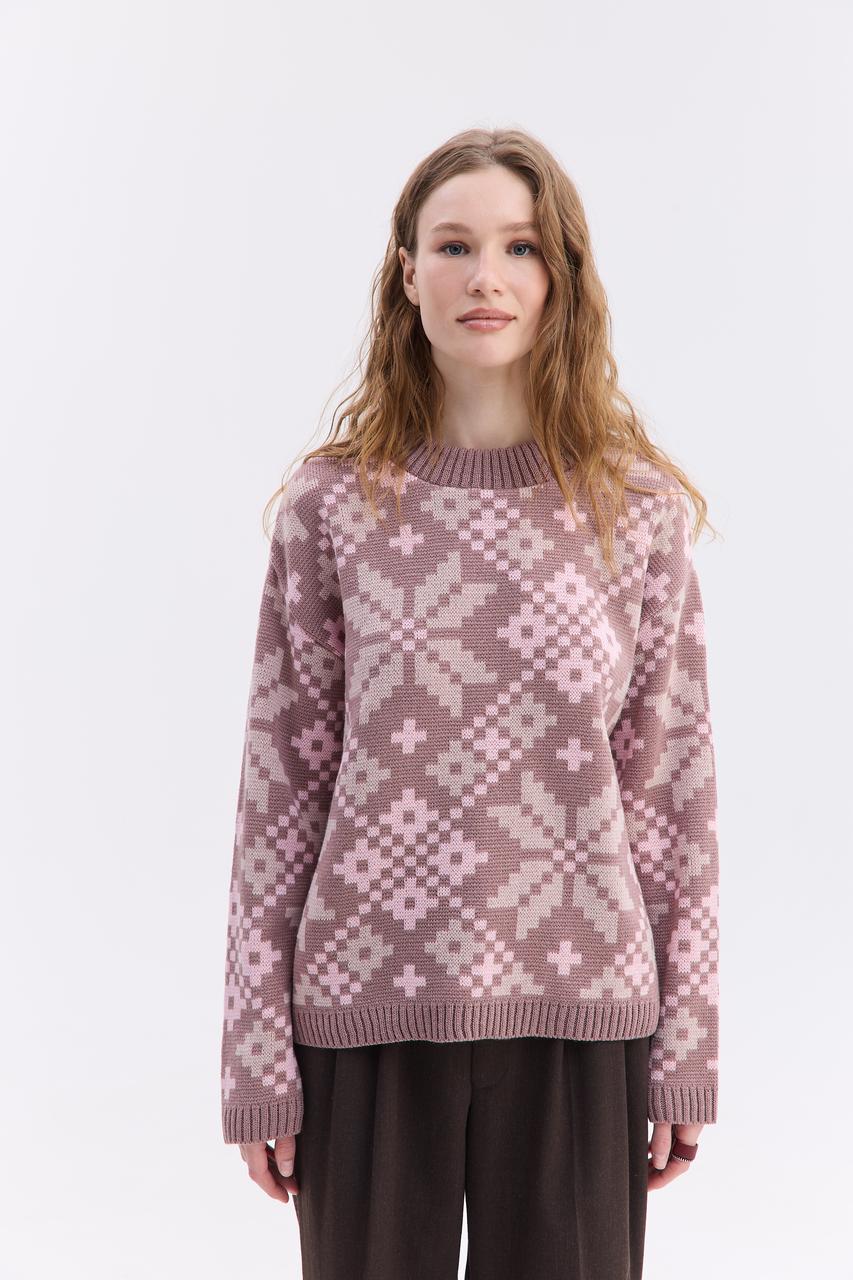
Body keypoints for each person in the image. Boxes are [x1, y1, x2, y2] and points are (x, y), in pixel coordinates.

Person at [219, 126, 720, 1280]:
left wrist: (687, 1044)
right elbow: (277, 798)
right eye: (453, 245)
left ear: (561, 276)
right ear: (406, 273)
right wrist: (255, 1053)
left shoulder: (636, 514)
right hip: (366, 1016)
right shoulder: (331, 510)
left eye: (519, 247)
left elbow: (670, 798)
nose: (484, 275)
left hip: (580, 1018)